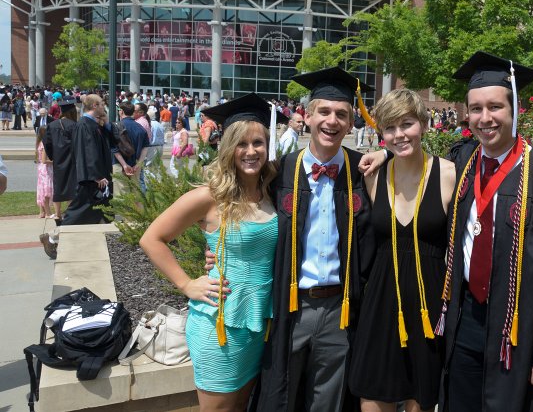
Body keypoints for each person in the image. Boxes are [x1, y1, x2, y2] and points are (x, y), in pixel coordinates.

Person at [361, 52, 533, 412]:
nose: (485, 118)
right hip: (463, 323)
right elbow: (415, 157)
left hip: (517, 332)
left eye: (495, 107)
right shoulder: (464, 163)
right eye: (475, 109)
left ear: (514, 110)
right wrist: (384, 155)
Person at [140, 93, 280, 411]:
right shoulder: (209, 196)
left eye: (258, 143)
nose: (250, 151)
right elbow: (152, 238)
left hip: (260, 324)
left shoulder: (271, 189)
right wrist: (186, 284)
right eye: (241, 144)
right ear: (227, 147)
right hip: (221, 325)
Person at [252, 67, 376, 412]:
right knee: (282, 394)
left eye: (342, 114)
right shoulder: (279, 172)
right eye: (324, 111)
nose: (332, 121)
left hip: (341, 308)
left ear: (352, 123)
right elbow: (245, 221)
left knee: (329, 401)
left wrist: (387, 154)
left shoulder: (365, 171)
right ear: (305, 116)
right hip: (290, 306)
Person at [348, 88, 456, 412]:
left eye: (406, 124)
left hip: (429, 307)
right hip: (381, 305)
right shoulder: (373, 176)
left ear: (423, 124)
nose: (399, 135)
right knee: (372, 397)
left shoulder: (449, 174)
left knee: (420, 401)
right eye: (390, 128)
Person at [60, 94, 114, 227]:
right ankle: (56, 236)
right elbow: (88, 152)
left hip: (99, 178)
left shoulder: (93, 124)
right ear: (94, 106)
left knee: (100, 209)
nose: (104, 106)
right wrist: (96, 175)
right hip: (92, 179)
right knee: (80, 209)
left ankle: (105, 231)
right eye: (101, 104)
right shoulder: (84, 125)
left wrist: (106, 123)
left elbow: (110, 142)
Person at [35, 125, 56, 219]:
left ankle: (42, 212)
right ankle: (48, 213)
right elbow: (44, 160)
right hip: (46, 169)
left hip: (41, 169)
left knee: (42, 190)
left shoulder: (39, 142)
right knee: (47, 191)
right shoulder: (44, 144)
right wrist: (55, 162)